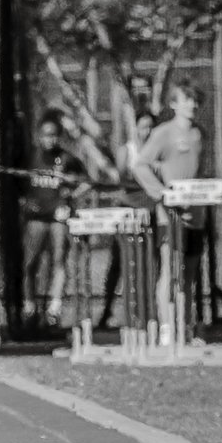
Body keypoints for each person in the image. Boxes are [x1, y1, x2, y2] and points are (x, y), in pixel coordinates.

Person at [133, 82, 205, 343]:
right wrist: (161, 193)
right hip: (170, 217)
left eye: (196, 100)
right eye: (187, 99)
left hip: (195, 215)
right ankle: (166, 327)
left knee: (189, 273)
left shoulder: (199, 133)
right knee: (170, 271)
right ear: (174, 104)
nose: (193, 105)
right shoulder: (164, 133)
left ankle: (185, 326)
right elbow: (140, 165)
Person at [21, 111, 87, 330]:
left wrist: (70, 195)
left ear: (59, 136)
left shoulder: (67, 159)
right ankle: (30, 307)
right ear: (40, 135)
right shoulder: (32, 155)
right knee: (30, 263)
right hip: (36, 218)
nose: (50, 139)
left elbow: (86, 181)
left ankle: (53, 310)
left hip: (58, 218)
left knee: (58, 261)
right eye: (46, 135)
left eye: (54, 135)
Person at [99, 109, 156, 329]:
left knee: (148, 263)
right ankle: (106, 312)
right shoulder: (127, 150)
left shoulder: (156, 149)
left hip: (150, 210)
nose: (147, 131)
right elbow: (120, 177)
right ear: (135, 128)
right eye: (143, 127)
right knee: (118, 263)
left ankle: (146, 313)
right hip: (128, 209)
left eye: (150, 127)